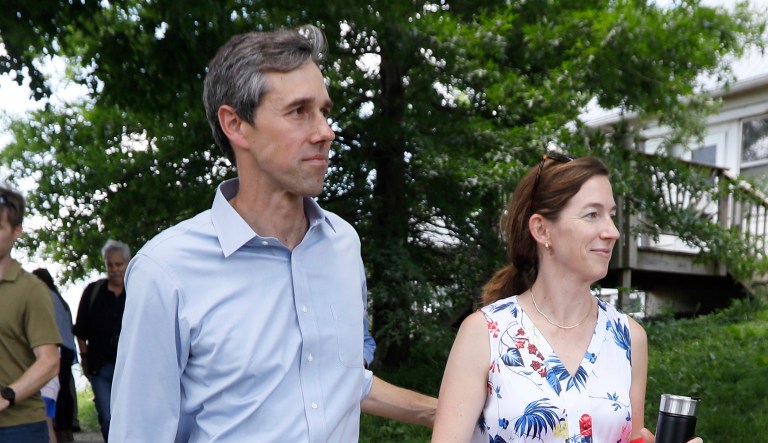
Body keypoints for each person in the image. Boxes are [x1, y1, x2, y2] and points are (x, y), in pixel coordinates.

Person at [109, 24, 436, 442]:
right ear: (236, 125)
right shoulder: (166, 270)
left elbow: (341, 378)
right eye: (299, 111)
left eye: (325, 111)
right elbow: (138, 433)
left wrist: (450, 411)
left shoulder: (342, 245)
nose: (325, 132)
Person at [431, 155, 703, 443]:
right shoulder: (484, 333)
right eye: (592, 214)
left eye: (611, 214)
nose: (612, 231)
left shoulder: (628, 338)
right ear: (542, 229)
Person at [0, 186, 61, 442]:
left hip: (19, 428)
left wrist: (6, 396)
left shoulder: (32, 290)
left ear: (16, 232)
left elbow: (49, 362)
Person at [73, 239, 130, 442]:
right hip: (100, 368)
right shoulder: (93, 292)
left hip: (130, 368)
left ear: (127, 263)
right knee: (108, 417)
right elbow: (80, 330)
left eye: (119, 264)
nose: (114, 269)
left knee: (130, 416)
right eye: (110, 264)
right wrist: (84, 358)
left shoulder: (136, 292)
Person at [32, 268, 77, 443]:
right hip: (66, 348)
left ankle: (62, 429)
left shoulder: (45, 297)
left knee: (57, 395)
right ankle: (66, 429)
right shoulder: (60, 299)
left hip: (55, 347)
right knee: (64, 390)